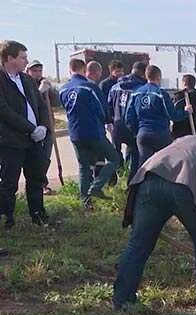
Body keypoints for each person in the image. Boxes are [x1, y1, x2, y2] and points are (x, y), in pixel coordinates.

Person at [113, 134, 196, 312]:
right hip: (190, 183)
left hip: (149, 177)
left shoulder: (190, 140)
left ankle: (122, 300)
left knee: (138, 244)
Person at [0, 40, 50, 229]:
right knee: (9, 182)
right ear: (9, 58)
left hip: (34, 139)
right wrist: (31, 128)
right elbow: (4, 110)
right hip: (11, 141)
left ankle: (38, 214)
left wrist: (43, 126)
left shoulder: (26, 79)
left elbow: (40, 104)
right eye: (22, 57)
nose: (25, 61)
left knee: (36, 177)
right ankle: (7, 217)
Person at [59, 58, 119, 208]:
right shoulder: (89, 87)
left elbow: (66, 109)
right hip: (93, 132)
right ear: (83, 69)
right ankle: (96, 187)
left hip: (75, 133)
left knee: (83, 167)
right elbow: (102, 109)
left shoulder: (63, 89)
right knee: (114, 159)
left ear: (70, 69)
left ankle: (85, 202)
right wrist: (107, 121)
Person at [125, 65, 191, 168]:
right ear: (159, 77)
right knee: (165, 165)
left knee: (144, 166)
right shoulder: (161, 93)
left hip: (143, 134)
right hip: (161, 135)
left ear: (146, 76)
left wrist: (136, 132)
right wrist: (185, 112)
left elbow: (129, 117)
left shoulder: (136, 93)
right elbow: (172, 115)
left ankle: (142, 183)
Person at [108, 61, 147, 181]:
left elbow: (108, 105)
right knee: (134, 153)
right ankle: (131, 182)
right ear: (143, 73)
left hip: (116, 125)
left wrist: (110, 121)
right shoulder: (141, 89)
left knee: (116, 151)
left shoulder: (115, 86)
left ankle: (119, 175)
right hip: (132, 127)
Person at [25, 60, 56, 195]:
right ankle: (39, 186)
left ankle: (43, 183)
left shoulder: (45, 83)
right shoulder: (26, 84)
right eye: (34, 70)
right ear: (28, 71)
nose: (37, 73)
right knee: (36, 160)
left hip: (48, 128)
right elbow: (29, 104)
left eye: (39, 70)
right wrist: (39, 91)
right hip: (34, 129)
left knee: (45, 159)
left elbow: (56, 102)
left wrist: (51, 89)